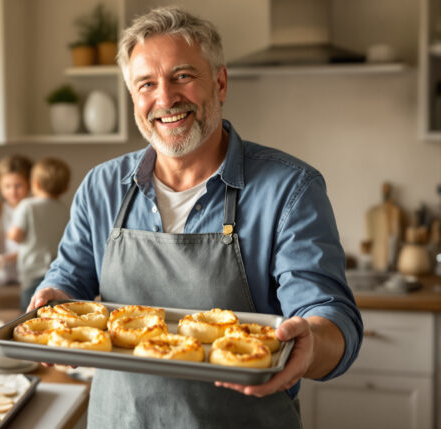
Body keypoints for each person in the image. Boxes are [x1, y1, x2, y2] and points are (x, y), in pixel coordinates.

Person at [27, 7, 363, 428]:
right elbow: (68, 279)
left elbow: (330, 315)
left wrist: (311, 342)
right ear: (133, 98)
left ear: (220, 83)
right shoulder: (102, 186)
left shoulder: (289, 189)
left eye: (182, 76)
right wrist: (52, 295)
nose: (165, 99)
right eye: (146, 84)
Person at [8, 157, 71, 311]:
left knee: (28, 316)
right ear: (66, 188)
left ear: (35, 184)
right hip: (56, 275)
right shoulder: (65, 210)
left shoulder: (27, 206)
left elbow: (16, 236)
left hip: (32, 274)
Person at [0, 155, 33, 283]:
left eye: (18, 186)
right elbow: (1, 234)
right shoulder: (4, 208)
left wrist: (4, 259)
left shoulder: (31, 208)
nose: (13, 191)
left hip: (27, 273)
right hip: (8, 272)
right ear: (0, 186)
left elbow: (33, 247)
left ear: (30, 184)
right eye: (7, 186)